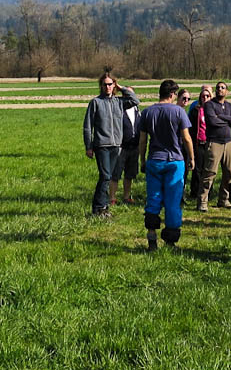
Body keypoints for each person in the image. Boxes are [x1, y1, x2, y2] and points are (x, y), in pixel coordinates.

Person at [138, 80, 194, 251]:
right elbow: (186, 138)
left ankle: (151, 238)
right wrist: (191, 158)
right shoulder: (178, 112)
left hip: (154, 160)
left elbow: (142, 140)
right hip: (174, 162)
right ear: (172, 94)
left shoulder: (147, 112)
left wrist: (142, 160)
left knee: (153, 198)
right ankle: (170, 241)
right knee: (173, 202)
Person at [82, 73, 139, 218]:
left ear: (114, 85)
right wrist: (88, 146)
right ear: (101, 86)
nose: (108, 87)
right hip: (102, 145)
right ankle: (100, 207)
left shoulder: (119, 102)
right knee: (105, 176)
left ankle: (101, 206)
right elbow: (88, 126)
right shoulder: (95, 102)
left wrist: (121, 88)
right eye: (105, 84)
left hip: (116, 145)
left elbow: (135, 100)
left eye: (110, 84)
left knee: (107, 177)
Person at [199, 80, 231, 211]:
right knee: (210, 172)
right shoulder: (209, 105)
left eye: (222, 87)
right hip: (214, 142)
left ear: (227, 91)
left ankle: (224, 199)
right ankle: (202, 201)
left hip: (228, 143)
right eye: (218, 87)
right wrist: (227, 121)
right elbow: (212, 121)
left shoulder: (229, 105)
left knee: (229, 173)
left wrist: (221, 116)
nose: (220, 89)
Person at [113, 83, 142, 205]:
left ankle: (126, 197)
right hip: (121, 147)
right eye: (126, 94)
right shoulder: (119, 108)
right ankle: (112, 198)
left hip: (134, 146)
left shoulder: (137, 110)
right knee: (115, 174)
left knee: (130, 175)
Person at [187, 85, 212, 199]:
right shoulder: (195, 110)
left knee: (209, 169)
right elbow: (190, 127)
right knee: (197, 169)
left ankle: (208, 192)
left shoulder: (214, 110)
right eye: (203, 96)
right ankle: (195, 192)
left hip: (210, 142)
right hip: (198, 142)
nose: (205, 98)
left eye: (207, 96)